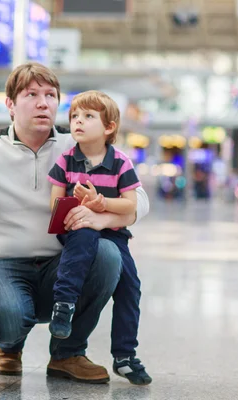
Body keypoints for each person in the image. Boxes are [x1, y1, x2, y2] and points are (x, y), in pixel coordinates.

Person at [0, 62, 150, 384]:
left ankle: (67, 353)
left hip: (62, 263)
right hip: (6, 263)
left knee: (108, 255)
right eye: (32, 94)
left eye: (51, 95)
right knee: (13, 318)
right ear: (11, 104)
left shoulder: (79, 144)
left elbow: (140, 200)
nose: (44, 103)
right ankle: (9, 348)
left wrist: (103, 218)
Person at [47, 90, 151, 385]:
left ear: (109, 127)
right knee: (82, 237)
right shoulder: (66, 161)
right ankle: (64, 303)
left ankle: (125, 355)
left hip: (115, 235)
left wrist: (100, 203)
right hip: (77, 231)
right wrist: (77, 206)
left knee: (131, 288)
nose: (78, 122)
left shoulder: (121, 162)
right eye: (75, 117)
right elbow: (54, 205)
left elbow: (130, 204)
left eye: (88, 116)